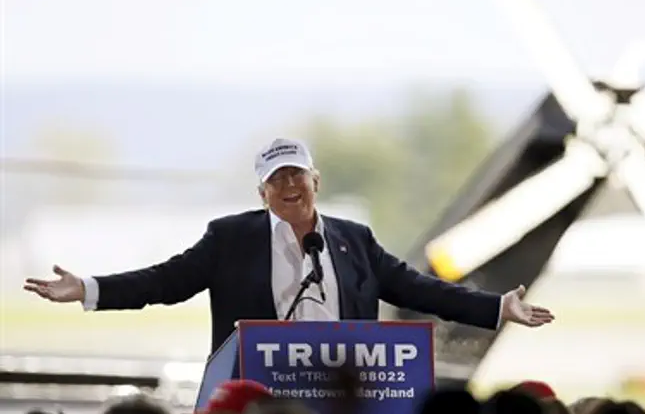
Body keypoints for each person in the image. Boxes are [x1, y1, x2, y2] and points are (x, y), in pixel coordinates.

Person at [24, 138, 555, 354]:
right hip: (262, 392)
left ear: (316, 180)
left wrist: (496, 306)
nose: (289, 186)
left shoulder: (353, 240)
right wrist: (89, 288)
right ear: (262, 193)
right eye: (276, 180)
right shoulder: (229, 238)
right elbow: (165, 281)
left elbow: (417, 287)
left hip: (345, 387)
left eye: (296, 174)